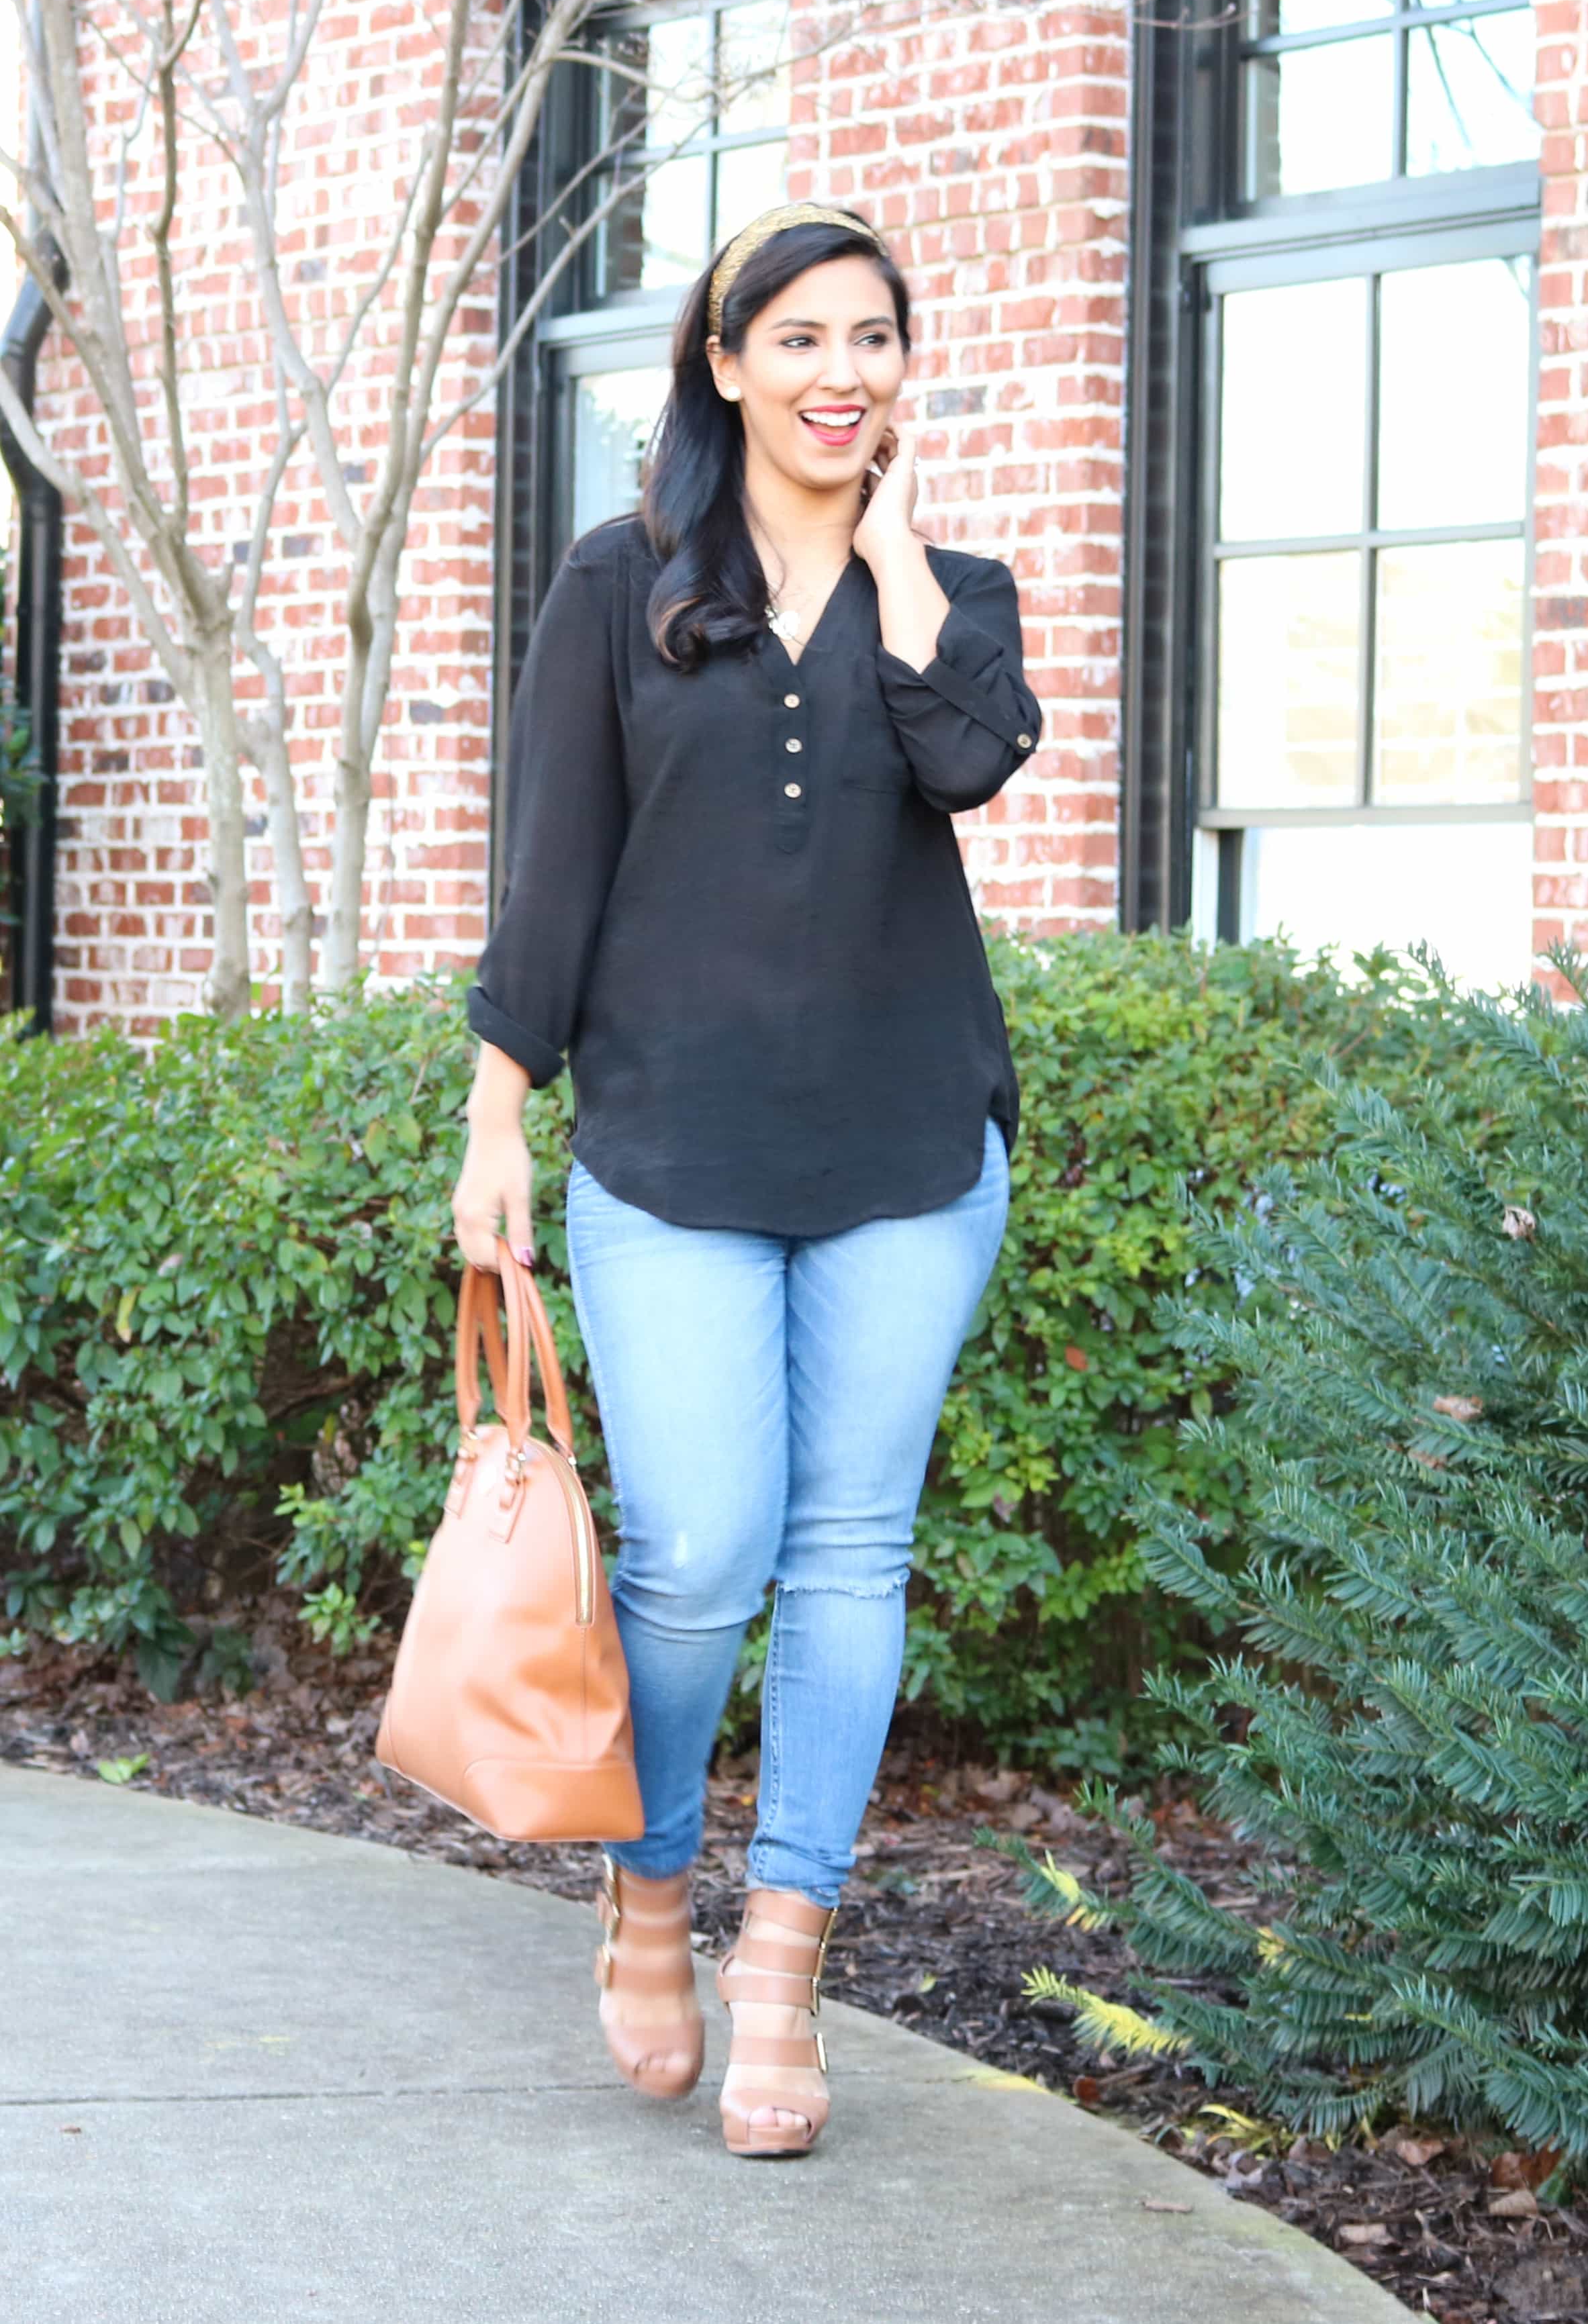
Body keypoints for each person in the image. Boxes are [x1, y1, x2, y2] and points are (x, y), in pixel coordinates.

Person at [449, 202, 1042, 2158]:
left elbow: (970, 764)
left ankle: (782, 1963)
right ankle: (649, 1889)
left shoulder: (953, 595)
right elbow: (552, 867)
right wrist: (498, 1116)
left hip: (908, 1147)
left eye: (871, 338)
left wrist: (890, 555)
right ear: (723, 365)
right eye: (797, 339)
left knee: (852, 1554)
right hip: (668, 1147)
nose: (837, 372)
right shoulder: (620, 582)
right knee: (698, 1556)